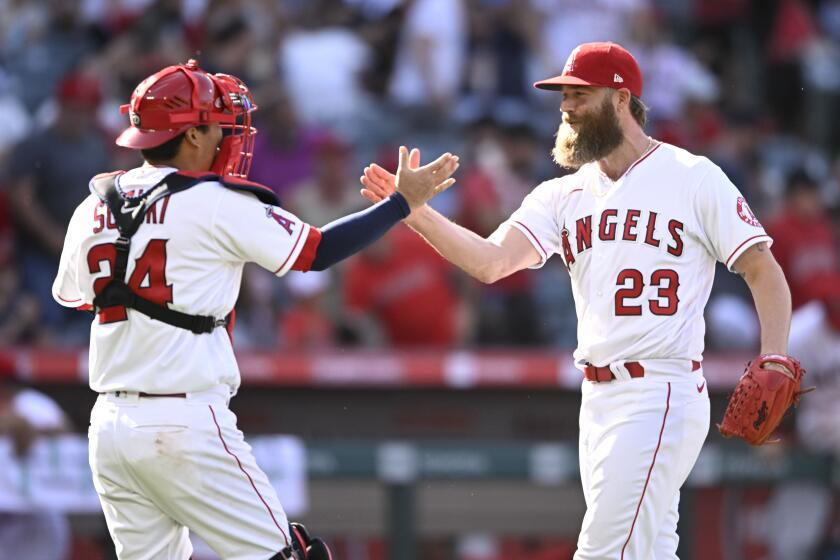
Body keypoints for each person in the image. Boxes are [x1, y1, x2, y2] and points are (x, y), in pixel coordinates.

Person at [360, 42, 796, 559]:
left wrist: (774, 355)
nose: (565, 107)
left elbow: (761, 268)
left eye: (578, 95)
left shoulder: (692, 176)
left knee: (602, 553)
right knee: (649, 552)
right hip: (597, 399)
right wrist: (414, 212)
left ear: (619, 98)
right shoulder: (561, 195)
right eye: (563, 95)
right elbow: (491, 261)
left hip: (659, 389)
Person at [52, 59, 458, 560]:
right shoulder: (214, 199)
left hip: (110, 427)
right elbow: (318, 252)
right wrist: (400, 204)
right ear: (193, 133)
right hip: (186, 420)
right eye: (220, 127)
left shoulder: (94, 203)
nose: (229, 139)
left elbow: (76, 297)